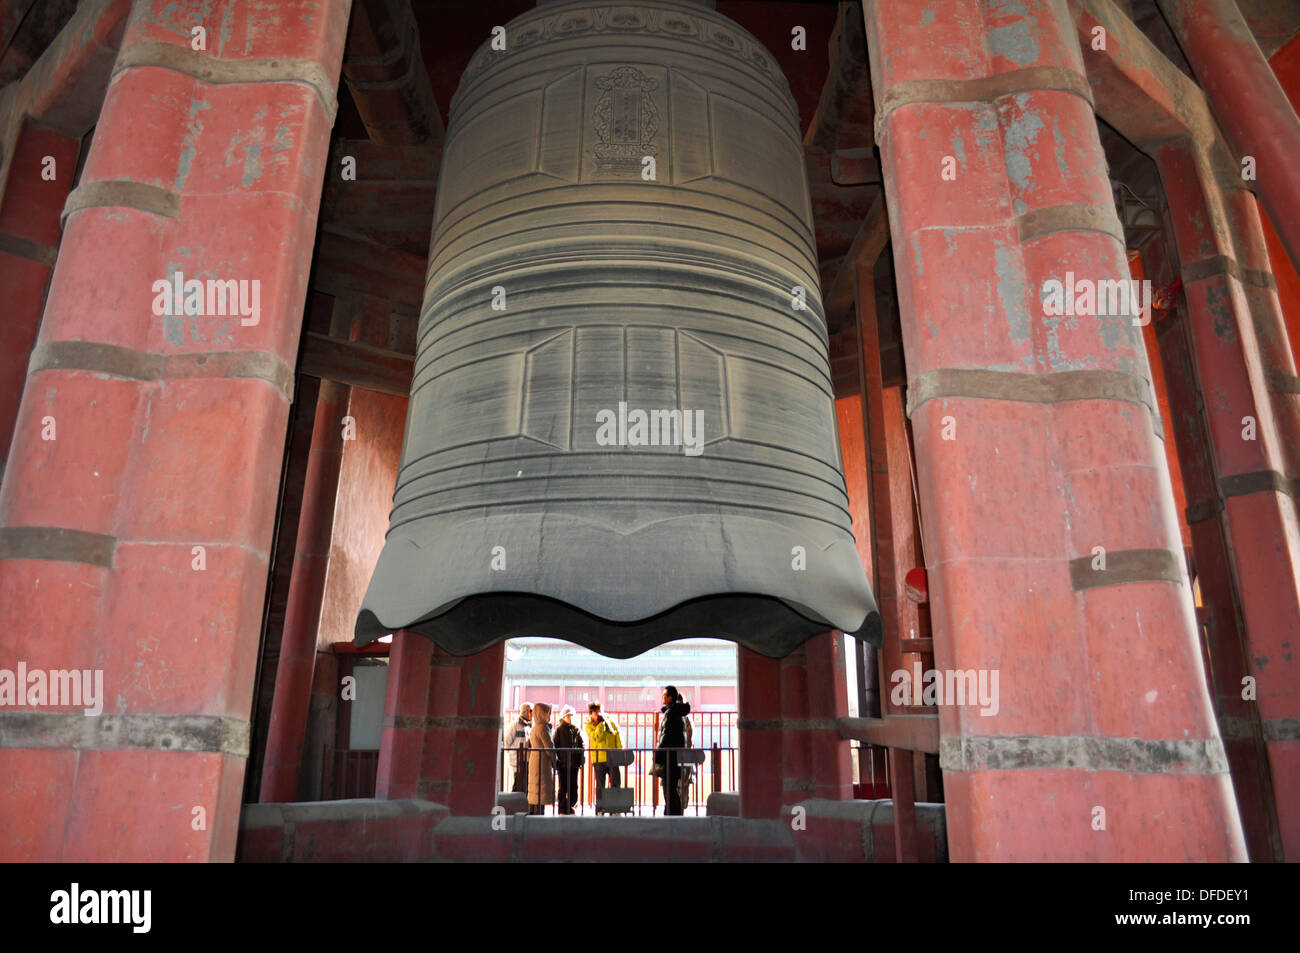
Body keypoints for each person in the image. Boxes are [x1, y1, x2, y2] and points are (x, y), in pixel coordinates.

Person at [654, 686, 691, 816]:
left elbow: (667, 736)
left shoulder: (671, 713)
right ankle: (672, 813)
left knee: (669, 788)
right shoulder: (678, 713)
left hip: (669, 756)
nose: (662, 697)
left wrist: (658, 754)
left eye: (664, 695)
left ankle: (672, 814)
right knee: (672, 787)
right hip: (676, 756)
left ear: (670, 697)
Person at [584, 702, 623, 791]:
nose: (599, 714)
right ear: (591, 714)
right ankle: (601, 805)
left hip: (612, 757)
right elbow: (596, 737)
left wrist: (620, 752)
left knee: (616, 782)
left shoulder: (610, 722)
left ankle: (614, 804)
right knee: (600, 785)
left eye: (600, 712)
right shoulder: (589, 726)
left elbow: (617, 736)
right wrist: (601, 725)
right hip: (599, 758)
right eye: (596, 713)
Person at [553, 705, 584, 814]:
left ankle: (570, 806)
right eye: (568, 715)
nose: (570, 717)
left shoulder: (576, 729)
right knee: (563, 787)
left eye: (571, 715)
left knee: (573, 786)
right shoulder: (559, 730)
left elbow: (581, 744)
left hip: (574, 763)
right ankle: (562, 808)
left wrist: (581, 758)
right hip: (563, 763)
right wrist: (556, 761)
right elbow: (555, 746)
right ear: (563, 717)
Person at [526, 702, 556, 815]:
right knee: (541, 791)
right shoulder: (543, 728)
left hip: (534, 759)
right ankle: (539, 817)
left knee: (534, 790)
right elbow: (549, 747)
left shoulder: (534, 728)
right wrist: (555, 760)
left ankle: (532, 813)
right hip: (543, 761)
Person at [503, 703, 533, 794]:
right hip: (517, 760)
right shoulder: (514, 725)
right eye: (530, 711)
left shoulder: (528, 726)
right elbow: (506, 742)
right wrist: (513, 754)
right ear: (525, 712)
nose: (532, 714)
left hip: (526, 760)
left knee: (524, 783)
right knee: (517, 783)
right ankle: (514, 805)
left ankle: (520, 804)